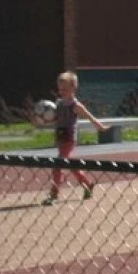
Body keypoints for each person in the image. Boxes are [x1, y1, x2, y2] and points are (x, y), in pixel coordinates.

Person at [41, 70, 108, 203]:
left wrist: (99, 126)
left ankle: (54, 195)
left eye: (65, 89)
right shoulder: (58, 103)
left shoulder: (75, 105)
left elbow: (89, 116)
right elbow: (56, 119)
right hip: (60, 135)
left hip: (69, 137)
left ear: (73, 88)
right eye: (60, 89)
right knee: (70, 164)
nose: (61, 91)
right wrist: (43, 120)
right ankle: (88, 184)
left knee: (58, 165)